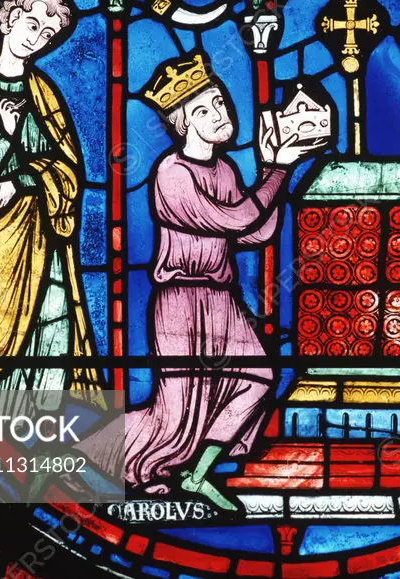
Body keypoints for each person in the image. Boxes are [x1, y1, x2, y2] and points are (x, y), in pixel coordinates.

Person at [76, 52, 323, 511]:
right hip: (181, 302)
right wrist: (277, 171)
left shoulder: (225, 169)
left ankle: (198, 471)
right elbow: (233, 217)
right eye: (206, 109)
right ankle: (105, 459)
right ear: (184, 123)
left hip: (222, 298)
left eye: (222, 104)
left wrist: (276, 173)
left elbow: (254, 231)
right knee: (177, 409)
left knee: (258, 377)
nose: (221, 114)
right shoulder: (172, 173)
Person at [0, 0, 102, 404]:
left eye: (48, 35)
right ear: (9, 19)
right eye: (32, 24)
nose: (37, 38)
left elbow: (68, 169)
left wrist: (24, 180)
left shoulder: (43, 94)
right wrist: (7, 139)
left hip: (46, 233)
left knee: (54, 325)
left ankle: (45, 439)